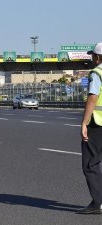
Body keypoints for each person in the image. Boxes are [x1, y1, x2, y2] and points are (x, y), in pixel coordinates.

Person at [77, 42, 102, 214]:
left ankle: (97, 204)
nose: (92, 58)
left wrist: (84, 122)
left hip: (98, 123)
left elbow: (93, 98)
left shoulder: (97, 73)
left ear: (98, 57)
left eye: (93, 55)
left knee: (91, 163)